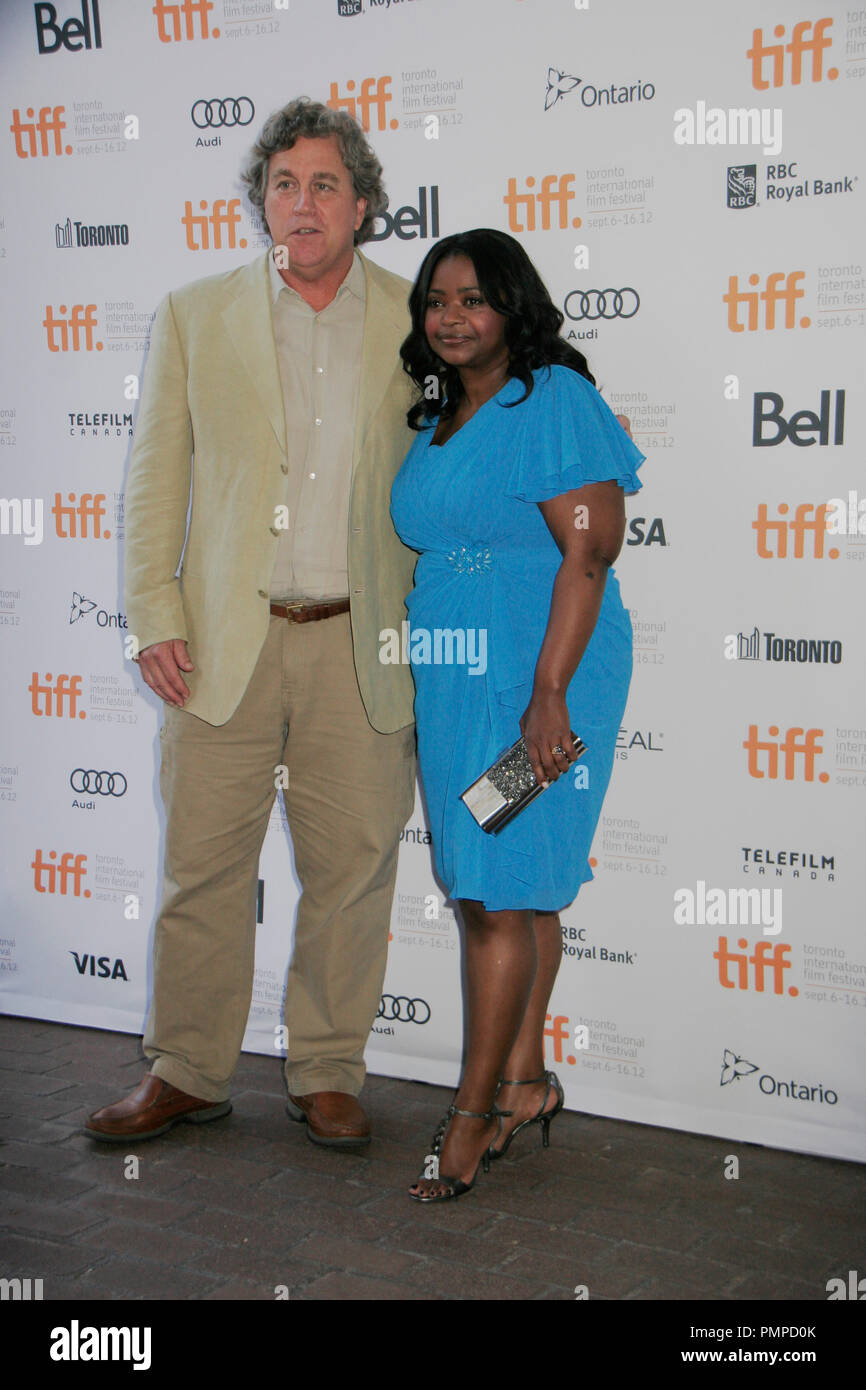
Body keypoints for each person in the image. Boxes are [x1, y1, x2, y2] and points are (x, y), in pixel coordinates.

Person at [84, 98, 419, 1149]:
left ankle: (325, 1068)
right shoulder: (195, 313)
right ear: (261, 200)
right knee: (201, 865)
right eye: (283, 183)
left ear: (360, 203)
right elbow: (154, 484)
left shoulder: (420, 322)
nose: (302, 202)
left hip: (362, 645)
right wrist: (152, 614)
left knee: (353, 867)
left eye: (324, 183)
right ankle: (186, 1067)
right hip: (223, 645)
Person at [389, 229, 645, 1200]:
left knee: (493, 892)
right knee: (511, 883)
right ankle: (527, 1081)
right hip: (460, 678)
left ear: (511, 306)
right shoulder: (439, 416)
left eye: (472, 298)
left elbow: (587, 554)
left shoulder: (554, 401)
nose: (449, 317)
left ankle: (473, 1112)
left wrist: (547, 697)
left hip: (542, 680)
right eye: (435, 301)